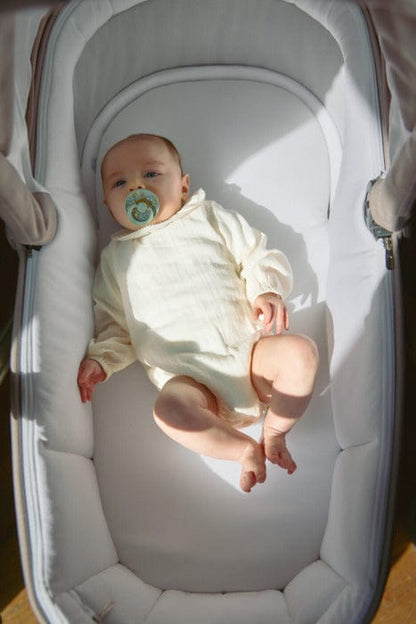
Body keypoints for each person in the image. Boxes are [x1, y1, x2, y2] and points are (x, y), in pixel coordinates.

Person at [77, 133, 319, 493]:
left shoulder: (208, 217)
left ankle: (275, 432)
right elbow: (115, 324)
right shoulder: (115, 261)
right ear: (108, 205)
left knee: (301, 353)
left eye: (151, 174)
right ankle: (241, 449)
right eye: (119, 183)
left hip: (252, 359)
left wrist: (266, 289)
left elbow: (255, 253)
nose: (136, 187)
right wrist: (102, 361)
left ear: (183, 185)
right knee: (167, 412)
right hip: (190, 383)